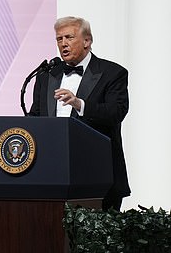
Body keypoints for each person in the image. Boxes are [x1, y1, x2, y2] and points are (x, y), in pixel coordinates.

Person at [29, 16, 130, 211]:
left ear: (87, 41)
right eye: (59, 39)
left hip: (98, 177)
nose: (63, 44)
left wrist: (79, 104)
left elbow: (116, 112)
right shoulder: (46, 75)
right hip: (51, 176)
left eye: (69, 37)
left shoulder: (113, 73)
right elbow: (36, 116)